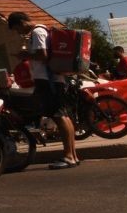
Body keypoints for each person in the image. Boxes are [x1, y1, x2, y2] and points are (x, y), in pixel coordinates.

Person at [8, 12, 79, 169]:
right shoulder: (41, 31)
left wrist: (26, 55)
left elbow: (43, 55)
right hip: (52, 80)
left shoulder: (37, 32)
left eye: (16, 28)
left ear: (21, 22)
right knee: (63, 116)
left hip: (48, 80)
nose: (18, 32)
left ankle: (69, 157)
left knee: (59, 117)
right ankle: (72, 155)